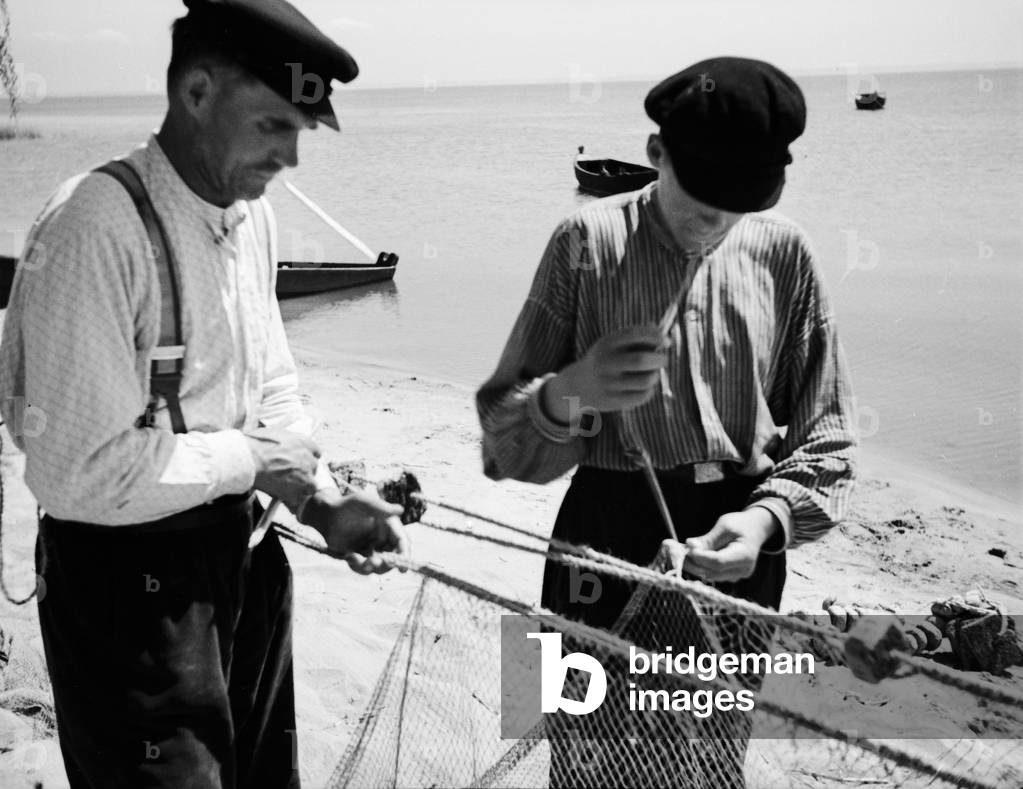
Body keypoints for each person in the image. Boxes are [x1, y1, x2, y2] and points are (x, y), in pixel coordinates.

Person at [0, 1, 409, 786]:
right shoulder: (94, 227)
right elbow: (78, 472)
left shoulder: (252, 218)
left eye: (301, 130)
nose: (289, 156)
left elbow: (275, 385)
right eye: (271, 126)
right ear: (195, 93)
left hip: (250, 572)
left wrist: (320, 502)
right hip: (134, 600)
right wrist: (253, 459)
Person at [477, 57, 857, 786]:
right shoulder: (582, 244)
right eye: (699, 195)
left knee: (710, 759)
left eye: (735, 203)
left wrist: (768, 520)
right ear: (656, 153)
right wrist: (567, 393)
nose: (713, 221)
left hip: (738, 542)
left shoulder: (784, 252)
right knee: (586, 756)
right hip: (602, 534)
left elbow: (828, 429)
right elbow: (499, 442)